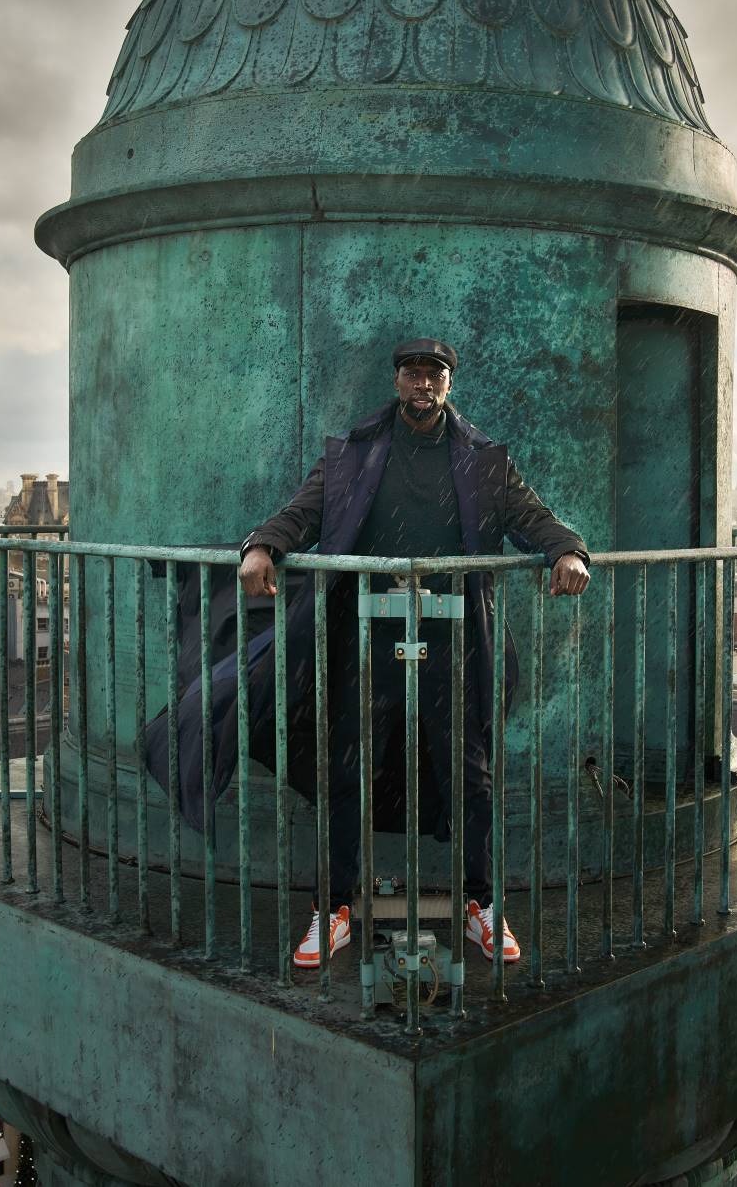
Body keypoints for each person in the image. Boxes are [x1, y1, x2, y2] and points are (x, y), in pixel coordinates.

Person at [236, 338, 589, 968]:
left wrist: (568, 550)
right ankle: (334, 908)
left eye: (434, 374)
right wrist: (261, 545)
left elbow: (533, 517)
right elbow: (303, 513)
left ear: (449, 384)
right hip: (364, 642)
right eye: (413, 373)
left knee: (470, 776)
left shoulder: (484, 460)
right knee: (346, 772)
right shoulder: (355, 453)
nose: (423, 383)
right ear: (397, 381)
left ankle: (482, 905)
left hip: (454, 645)